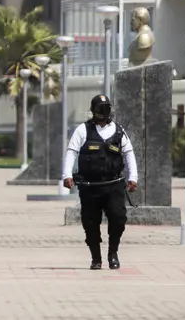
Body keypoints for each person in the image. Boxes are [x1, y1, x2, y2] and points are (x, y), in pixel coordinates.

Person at [62, 94, 138, 270]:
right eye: (100, 109)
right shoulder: (83, 130)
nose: (104, 112)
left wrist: (133, 177)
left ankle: (113, 253)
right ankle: (96, 257)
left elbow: (129, 154)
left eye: (106, 108)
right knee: (90, 223)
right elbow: (72, 152)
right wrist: (67, 175)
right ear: (93, 111)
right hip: (90, 186)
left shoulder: (119, 131)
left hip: (114, 185)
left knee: (118, 218)